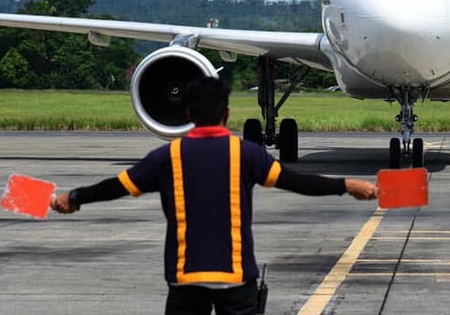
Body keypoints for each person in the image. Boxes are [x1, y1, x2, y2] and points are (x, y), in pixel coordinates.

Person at [51, 76, 378, 315]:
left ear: (189, 113)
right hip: (236, 278)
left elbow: (116, 187)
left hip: (185, 278)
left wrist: (74, 197)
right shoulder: (245, 154)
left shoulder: (167, 157)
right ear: (228, 113)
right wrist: (346, 185)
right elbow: (298, 182)